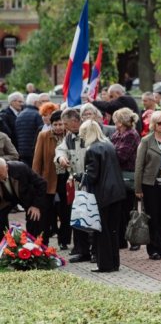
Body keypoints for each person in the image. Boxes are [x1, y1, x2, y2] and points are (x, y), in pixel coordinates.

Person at [79, 120, 125, 273]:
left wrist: (78, 177)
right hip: (116, 192)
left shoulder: (92, 149)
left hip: (102, 194)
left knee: (102, 231)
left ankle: (104, 264)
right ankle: (114, 263)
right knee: (113, 230)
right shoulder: (108, 145)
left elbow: (92, 176)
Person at [54, 108, 93, 263]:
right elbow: (60, 150)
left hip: (90, 182)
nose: (63, 127)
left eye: (65, 123)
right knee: (77, 217)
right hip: (76, 184)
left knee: (91, 218)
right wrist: (61, 158)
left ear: (75, 121)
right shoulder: (69, 136)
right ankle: (81, 250)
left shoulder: (88, 133)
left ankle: (93, 251)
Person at [135, 110, 161, 260]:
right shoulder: (146, 141)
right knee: (153, 217)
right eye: (160, 123)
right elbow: (139, 166)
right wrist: (138, 188)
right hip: (150, 185)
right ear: (154, 125)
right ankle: (153, 249)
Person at [32, 110, 68, 248]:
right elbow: (37, 160)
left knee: (65, 211)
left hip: (65, 177)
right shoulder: (43, 136)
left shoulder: (69, 136)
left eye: (61, 124)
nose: (58, 127)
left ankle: (64, 240)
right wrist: (35, 180)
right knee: (47, 211)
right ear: (51, 124)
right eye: (55, 124)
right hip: (48, 178)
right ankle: (44, 241)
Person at [110, 108, 141, 250]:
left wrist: (109, 152)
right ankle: (121, 240)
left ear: (120, 121)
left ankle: (134, 240)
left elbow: (122, 155)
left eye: (116, 120)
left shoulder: (131, 135)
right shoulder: (117, 134)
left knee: (129, 210)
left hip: (128, 176)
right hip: (118, 176)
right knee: (120, 210)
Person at [0, 158, 47, 238]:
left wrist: (36, 205)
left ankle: (34, 245)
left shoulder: (21, 168)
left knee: (34, 216)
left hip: (26, 196)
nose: (0, 178)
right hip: (6, 199)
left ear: (7, 167)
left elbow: (42, 184)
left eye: (1, 174)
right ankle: (4, 245)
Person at [15, 93, 43, 166]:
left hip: (22, 151)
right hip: (34, 151)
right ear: (35, 103)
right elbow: (41, 132)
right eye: (39, 102)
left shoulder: (19, 115)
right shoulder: (37, 114)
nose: (41, 104)